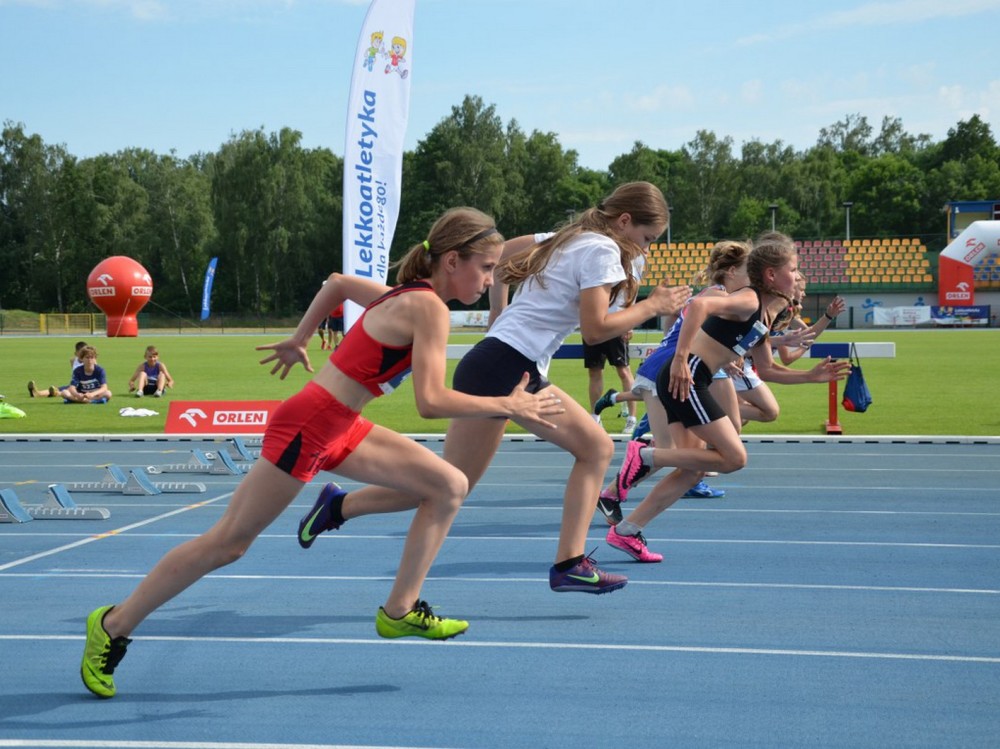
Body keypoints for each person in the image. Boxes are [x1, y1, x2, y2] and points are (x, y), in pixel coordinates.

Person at [79, 207, 565, 699]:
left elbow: (335, 283)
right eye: (485, 267)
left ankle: (400, 610)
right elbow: (430, 402)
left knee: (449, 485)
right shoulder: (429, 308)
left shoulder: (409, 295)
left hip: (340, 422)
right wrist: (507, 402)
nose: (490, 278)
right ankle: (114, 623)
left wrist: (300, 337)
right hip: (311, 424)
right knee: (228, 543)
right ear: (453, 261)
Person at [298, 181, 691, 595]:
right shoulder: (602, 250)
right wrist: (652, 306)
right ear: (624, 221)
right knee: (595, 448)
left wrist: (498, 310)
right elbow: (595, 331)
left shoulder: (568, 237)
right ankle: (569, 563)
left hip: (501, 361)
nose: (646, 248)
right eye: (646, 238)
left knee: (451, 483)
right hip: (507, 364)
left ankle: (338, 505)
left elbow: (497, 259)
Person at [604, 232, 850, 562]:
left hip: (691, 379)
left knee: (691, 468)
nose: (798, 276)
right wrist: (679, 358)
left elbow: (768, 369)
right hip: (688, 378)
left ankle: (627, 531)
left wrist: (811, 376)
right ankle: (647, 456)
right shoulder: (748, 299)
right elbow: (699, 304)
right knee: (734, 458)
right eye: (793, 269)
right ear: (771, 275)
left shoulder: (764, 317)